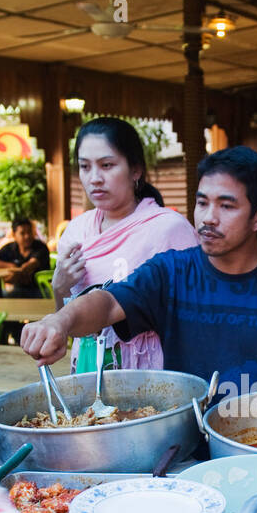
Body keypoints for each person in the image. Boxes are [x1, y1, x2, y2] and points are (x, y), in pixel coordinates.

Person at [20, 146, 257, 391]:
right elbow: (106, 303)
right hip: (184, 449)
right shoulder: (172, 272)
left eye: (226, 206)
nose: (208, 218)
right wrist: (59, 321)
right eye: (202, 203)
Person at [55, 117, 198, 370]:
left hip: (153, 373)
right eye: (85, 167)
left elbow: (193, 316)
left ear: (136, 170)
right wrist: (59, 288)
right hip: (88, 369)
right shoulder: (75, 231)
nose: (94, 178)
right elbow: (67, 326)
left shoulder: (168, 229)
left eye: (107, 165)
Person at [0, 218, 50, 298]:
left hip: (40, 291)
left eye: (29, 232)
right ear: (14, 235)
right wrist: (10, 266)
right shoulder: (11, 247)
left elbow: (30, 265)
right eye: (22, 233)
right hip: (18, 289)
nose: (27, 236)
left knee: (4, 296)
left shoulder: (41, 247)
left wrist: (16, 275)